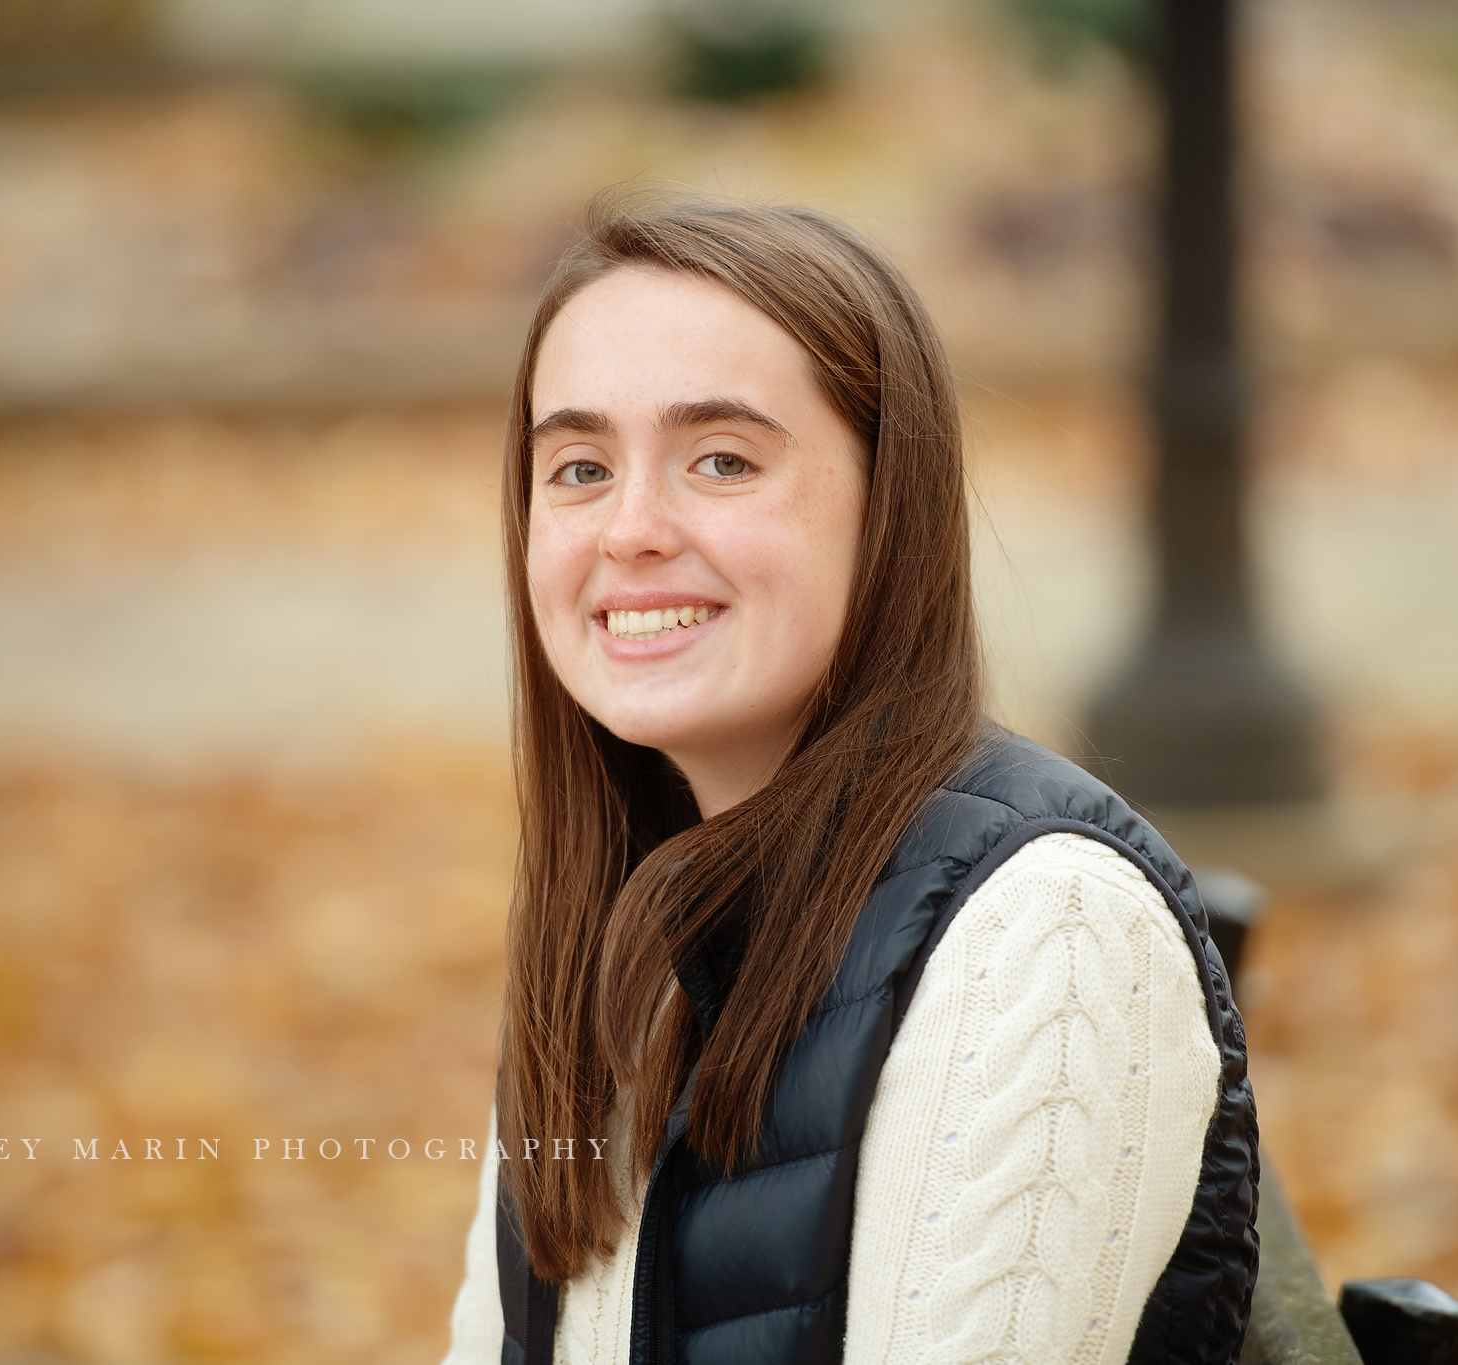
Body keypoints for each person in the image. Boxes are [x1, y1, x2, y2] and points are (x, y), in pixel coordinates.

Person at [442, 193, 1257, 1365]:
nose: (628, 529)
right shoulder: (617, 933)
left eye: (720, 460)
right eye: (576, 468)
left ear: (889, 506)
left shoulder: (1044, 936)